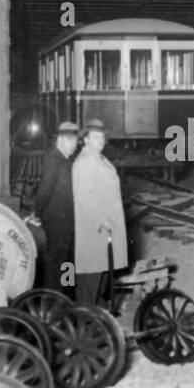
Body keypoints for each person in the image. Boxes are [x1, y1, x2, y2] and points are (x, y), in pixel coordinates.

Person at [71, 118, 128, 305]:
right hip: (95, 231)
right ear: (85, 140)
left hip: (104, 231)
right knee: (90, 277)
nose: (101, 141)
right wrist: (101, 221)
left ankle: (97, 318)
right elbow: (84, 198)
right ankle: (85, 320)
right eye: (96, 137)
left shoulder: (99, 159)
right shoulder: (85, 162)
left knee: (101, 274)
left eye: (102, 137)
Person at [29, 121, 80, 295]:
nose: (73, 144)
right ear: (59, 140)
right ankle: (52, 302)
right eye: (69, 140)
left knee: (67, 262)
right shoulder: (54, 160)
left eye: (75, 140)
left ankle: (66, 296)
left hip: (68, 222)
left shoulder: (66, 160)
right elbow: (44, 191)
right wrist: (37, 213)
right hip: (57, 223)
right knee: (55, 265)